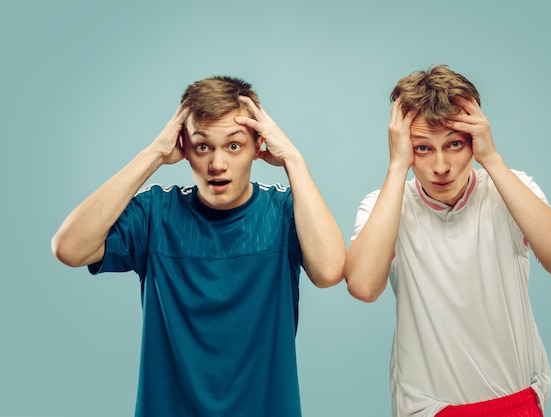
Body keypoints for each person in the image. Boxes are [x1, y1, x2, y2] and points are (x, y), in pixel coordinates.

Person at [51, 76, 345, 417]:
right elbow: (69, 248)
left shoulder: (283, 213)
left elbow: (329, 272)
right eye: (203, 146)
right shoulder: (155, 215)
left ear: (258, 146)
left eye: (234, 146)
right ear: (184, 148)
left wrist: (295, 160)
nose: (217, 164)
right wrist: (153, 155)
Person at [344, 65, 551, 417]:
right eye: (422, 148)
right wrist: (398, 167)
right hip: (429, 407)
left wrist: (492, 158)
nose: (440, 166)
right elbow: (364, 286)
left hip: (515, 397)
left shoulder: (509, 187)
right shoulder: (384, 205)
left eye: (454, 144)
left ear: (474, 139)